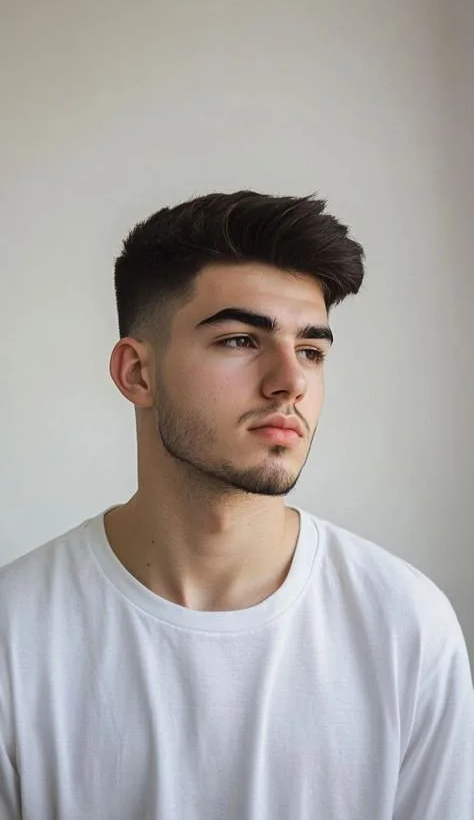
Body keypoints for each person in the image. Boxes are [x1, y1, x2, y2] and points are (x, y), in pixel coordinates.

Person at [0, 190, 472, 819]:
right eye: (239, 340)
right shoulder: (16, 635)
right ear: (136, 373)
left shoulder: (405, 626)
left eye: (311, 350)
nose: (290, 381)